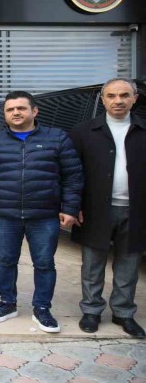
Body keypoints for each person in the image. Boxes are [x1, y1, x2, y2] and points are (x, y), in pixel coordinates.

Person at [0, 91, 82, 333]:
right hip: (6, 214)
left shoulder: (57, 137)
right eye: (10, 109)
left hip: (44, 215)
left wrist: (70, 208)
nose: (16, 113)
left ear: (34, 111)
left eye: (21, 108)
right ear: (5, 114)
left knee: (44, 263)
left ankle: (42, 308)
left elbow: (73, 176)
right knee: (6, 261)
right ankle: (7, 303)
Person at [70, 78, 145, 338]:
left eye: (124, 95)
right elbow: (72, 173)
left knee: (128, 266)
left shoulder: (143, 130)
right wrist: (74, 205)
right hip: (95, 209)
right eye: (111, 96)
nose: (118, 101)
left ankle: (123, 313)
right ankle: (91, 310)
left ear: (135, 98)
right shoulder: (84, 131)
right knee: (92, 265)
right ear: (102, 100)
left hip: (136, 210)